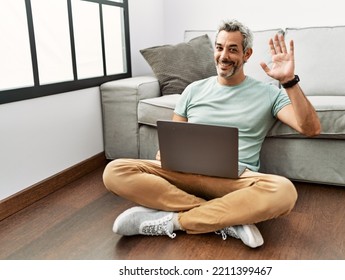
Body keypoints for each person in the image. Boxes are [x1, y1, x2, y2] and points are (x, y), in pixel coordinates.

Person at [103, 19, 321, 248]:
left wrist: (289, 81)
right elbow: (173, 139)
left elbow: (311, 128)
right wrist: (164, 154)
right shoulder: (193, 90)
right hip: (183, 174)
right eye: (219, 47)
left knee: (284, 192)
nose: (223, 55)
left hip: (235, 179)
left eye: (233, 49)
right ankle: (228, 218)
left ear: (247, 54)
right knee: (114, 170)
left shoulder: (269, 94)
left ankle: (174, 221)